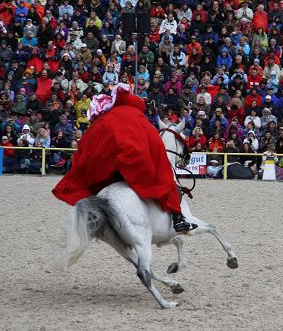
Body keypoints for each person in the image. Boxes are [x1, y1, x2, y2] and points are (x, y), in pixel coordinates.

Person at [52, 86, 196, 233]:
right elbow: (153, 143)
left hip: (111, 170)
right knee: (165, 182)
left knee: (101, 186)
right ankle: (178, 219)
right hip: (132, 164)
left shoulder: (106, 120)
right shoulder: (136, 117)